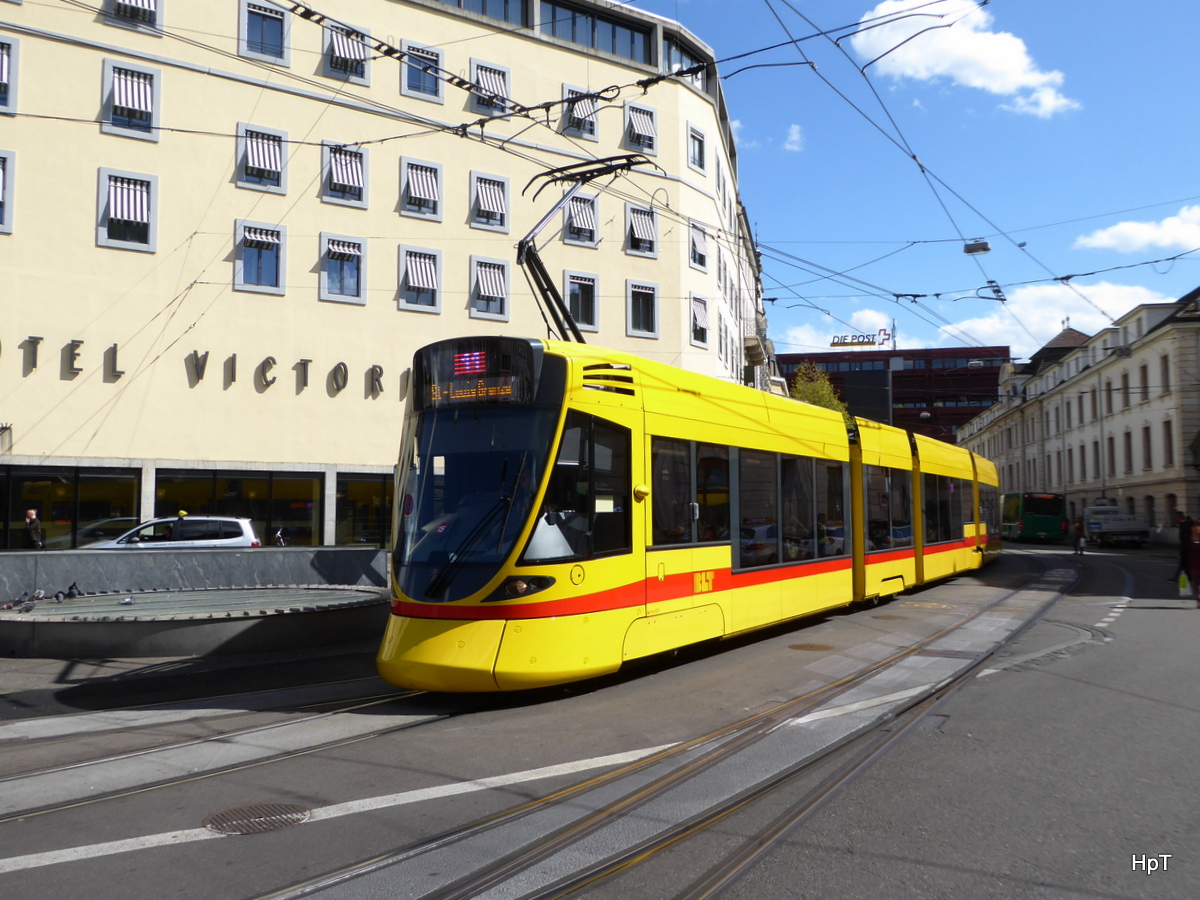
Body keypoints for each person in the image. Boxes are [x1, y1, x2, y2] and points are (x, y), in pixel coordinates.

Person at [1170, 510, 1194, 582]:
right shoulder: (1182, 524)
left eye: (1176, 517)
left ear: (1179, 517)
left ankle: (1176, 578)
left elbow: (1189, 535)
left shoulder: (1187, 524)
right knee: (1186, 562)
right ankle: (1189, 577)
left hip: (1188, 545)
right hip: (1185, 545)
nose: (1175, 518)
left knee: (1183, 563)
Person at [1182, 521, 1200, 608]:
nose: (1198, 528)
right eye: (1196, 526)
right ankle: (1198, 599)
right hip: (1193, 565)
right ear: (1191, 528)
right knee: (1197, 583)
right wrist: (1183, 567)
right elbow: (1183, 553)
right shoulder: (1187, 539)